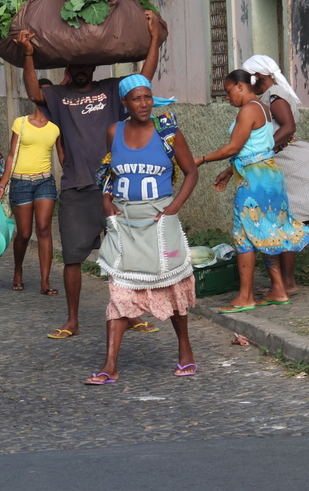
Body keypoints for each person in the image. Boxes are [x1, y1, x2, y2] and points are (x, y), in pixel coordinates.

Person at [19, 12, 164, 339]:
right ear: (68, 68)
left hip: (115, 188)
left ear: (95, 66)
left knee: (125, 256)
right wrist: (28, 55)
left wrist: (155, 38)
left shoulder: (112, 90)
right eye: (75, 65)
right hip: (76, 188)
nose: (81, 69)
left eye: (86, 64)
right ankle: (72, 320)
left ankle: (130, 313)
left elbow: (144, 79)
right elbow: (33, 92)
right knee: (72, 258)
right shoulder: (59, 96)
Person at [85, 75, 199, 384]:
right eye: (136, 99)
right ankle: (110, 365)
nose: (144, 104)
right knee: (120, 290)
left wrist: (173, 208)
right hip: (125, 223)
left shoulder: (167, 132)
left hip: (160, 221)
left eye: (147, 97)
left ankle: (185, 350)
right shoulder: (115, 132)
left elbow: (191, 172)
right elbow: (110, 172)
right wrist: (106, 198)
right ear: (124, 103)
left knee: (172, 287)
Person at [194, 69, 309, 312]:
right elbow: (252, 149)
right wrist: (229, 172)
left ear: (240, 86)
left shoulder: (248, 110)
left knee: (244, 235)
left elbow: (233, 148)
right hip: (267, 175)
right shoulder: (262, 107)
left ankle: (245, 297)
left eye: (228, 92)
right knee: (266, 230)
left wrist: (201, 159)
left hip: (255, 181)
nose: (228, 98)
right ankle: (278, 289)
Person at [242, 55, 309, 296]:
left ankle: (287, 283)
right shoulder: (271, 95)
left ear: (258, 77)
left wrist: (261, 151)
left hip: (292, 163)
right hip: (285, 162)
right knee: (286, 221)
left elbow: (288, 127)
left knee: (287, 221)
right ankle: (286, 282)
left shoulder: (275, 96)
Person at [0, 99, 64, 295]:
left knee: (44, 229)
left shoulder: (56, 127)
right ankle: (18, 270)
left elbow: (62, 157)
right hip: (20, 182)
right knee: (24, 233)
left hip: (45, 182)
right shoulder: (21, 122)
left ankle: (45, 281)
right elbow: (11, 155)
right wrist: (2, 184)